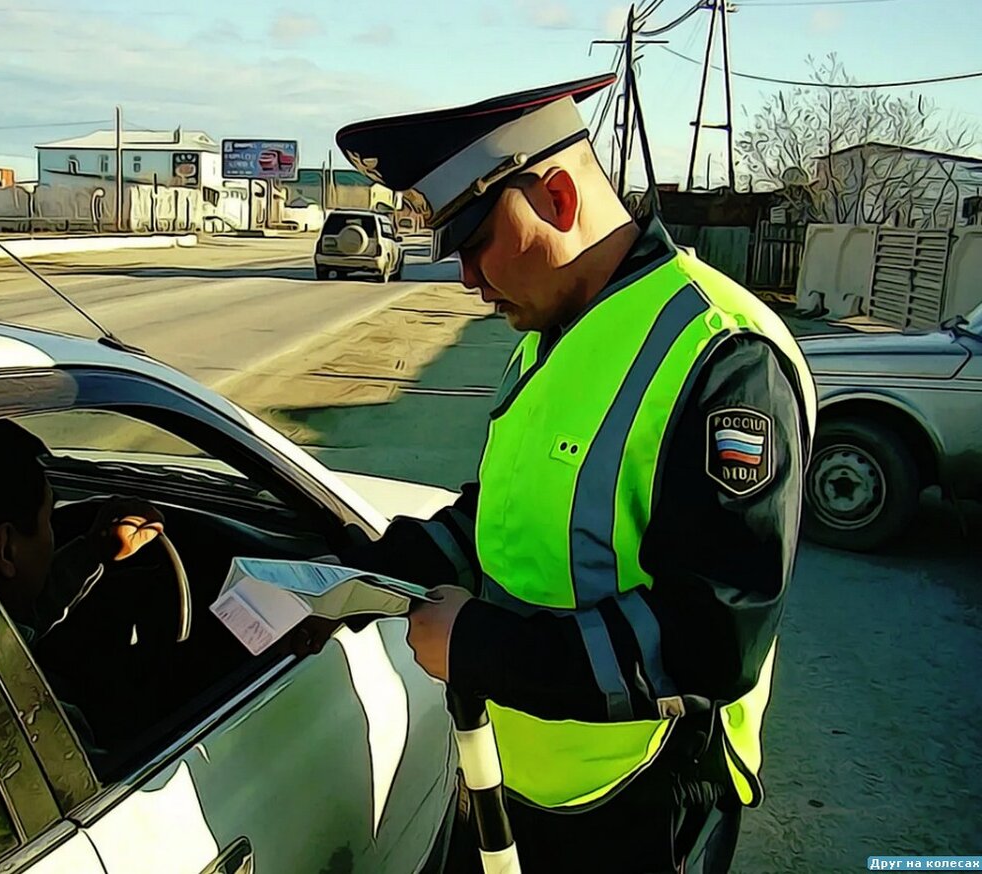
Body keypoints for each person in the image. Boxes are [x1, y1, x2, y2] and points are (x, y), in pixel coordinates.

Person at [332, 76, 818, 873]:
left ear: (558, 196)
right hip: (520, 775)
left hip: (644, 803)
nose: (466, 280)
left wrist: (482, 649)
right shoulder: (553, 328)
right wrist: (373, 567)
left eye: (476, 241)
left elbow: (713, 633)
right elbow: (515, 509)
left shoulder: (722, 352)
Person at [0, 420, 165, 647]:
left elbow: (14, 620)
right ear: (6, 550)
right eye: (48, 519)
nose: (52, 533)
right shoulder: (5, 688)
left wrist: (92, 551)